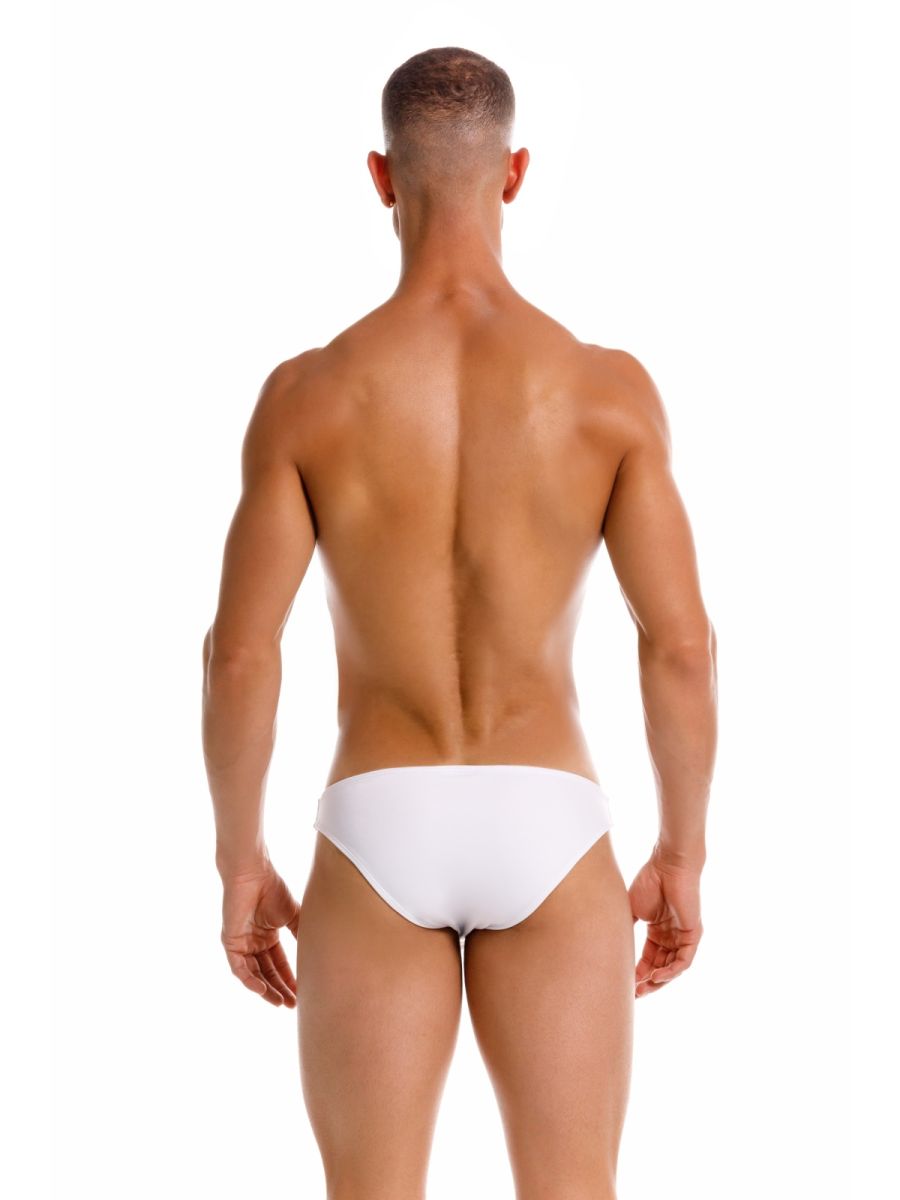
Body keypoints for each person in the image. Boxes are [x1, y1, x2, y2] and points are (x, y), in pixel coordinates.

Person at [201, 45, 718, 1200]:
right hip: (548, 810)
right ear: (516, 174)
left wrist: (241, 863)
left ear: (382, 177)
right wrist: (682, 854)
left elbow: (239, 654)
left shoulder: (307, 396)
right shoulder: (607, 391)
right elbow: (681, 647)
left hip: (378, 812)